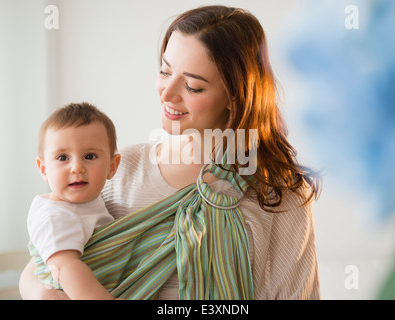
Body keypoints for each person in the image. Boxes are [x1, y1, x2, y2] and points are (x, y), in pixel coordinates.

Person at [20, 5, 321, 300]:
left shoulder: (278, 193)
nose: (166, 93)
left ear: (235, 97)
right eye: (165, 71)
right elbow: (44, 265)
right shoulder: (114, 170)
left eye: (192, 86)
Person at [26, 102, 121, 299]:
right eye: (62, 158)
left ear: (112, 167)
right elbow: (66, 269)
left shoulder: (87, 204)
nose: (77, 167)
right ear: (44, 169)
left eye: (89, 156)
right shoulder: (55, 217)